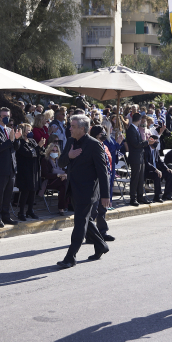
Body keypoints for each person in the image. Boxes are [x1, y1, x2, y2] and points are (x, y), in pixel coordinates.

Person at [55, 114, 110, 269]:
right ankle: (101, 245)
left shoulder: (94, 144)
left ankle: (70, 257)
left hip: (88, 191)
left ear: (82, 128)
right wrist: (69, 156)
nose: (69, 128)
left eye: (72, 126)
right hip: (73, 188)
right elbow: (61, 161)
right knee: (85, 220)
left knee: (80, 222)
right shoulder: (71, 141)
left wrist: (105, 195)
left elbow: (102, 171)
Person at [0, 107, 20, 227]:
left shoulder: (9, 129)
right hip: (0, 168)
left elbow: (16, 148)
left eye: (8, 115)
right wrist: (10, 140)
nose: (6, 118)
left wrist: (16, 139)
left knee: (8, 194)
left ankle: (6, 216)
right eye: (4, 116)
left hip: (11, 167)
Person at [15, 123, 44, 221]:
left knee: (33, 190)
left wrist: (40, 146)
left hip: (34, 169)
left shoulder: (32, 141)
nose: (30, 132)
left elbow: (39, 152)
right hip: (25, 170)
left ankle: (30, 210)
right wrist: (38, 147)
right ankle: (21, 212)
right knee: (25, 191)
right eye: (28, 130)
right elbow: (28, 154)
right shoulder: (20, 143)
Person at [124, 113, 146, 206]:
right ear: (139, 120)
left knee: (141, 178)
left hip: (140, 157)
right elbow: (136, 144)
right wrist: (147, 143)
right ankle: (133, 198)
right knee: (135, 178)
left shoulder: (136, 129)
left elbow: (139, 142)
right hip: (135, 157)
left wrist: (146, 142)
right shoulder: (131, 129)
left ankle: (140, 197)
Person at [42, 142, 69, 214]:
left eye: (56, 151)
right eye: (53, 150)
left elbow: (65, 170)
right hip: (49, 182)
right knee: (65, 183)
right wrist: (58, 175)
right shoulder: (45, 160)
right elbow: (45, 174)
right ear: (49, 151)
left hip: (60, 181)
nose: (55, 152)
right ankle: (64, 206)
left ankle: (62, 207)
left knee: (64, 186)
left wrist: (64, 175)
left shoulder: (59, 161)